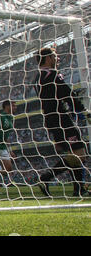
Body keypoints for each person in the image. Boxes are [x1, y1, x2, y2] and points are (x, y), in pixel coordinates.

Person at [35, 47, 90, 197]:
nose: (57, 59)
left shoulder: (38, 77)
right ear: (47, 58)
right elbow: (67, 94)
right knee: (79, 153)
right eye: (55, 56)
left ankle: (79, 189)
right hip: (60, 118)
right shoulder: (52, 74)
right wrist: (83, 111)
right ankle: (45, 178)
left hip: (51, 119)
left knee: (75, 155)